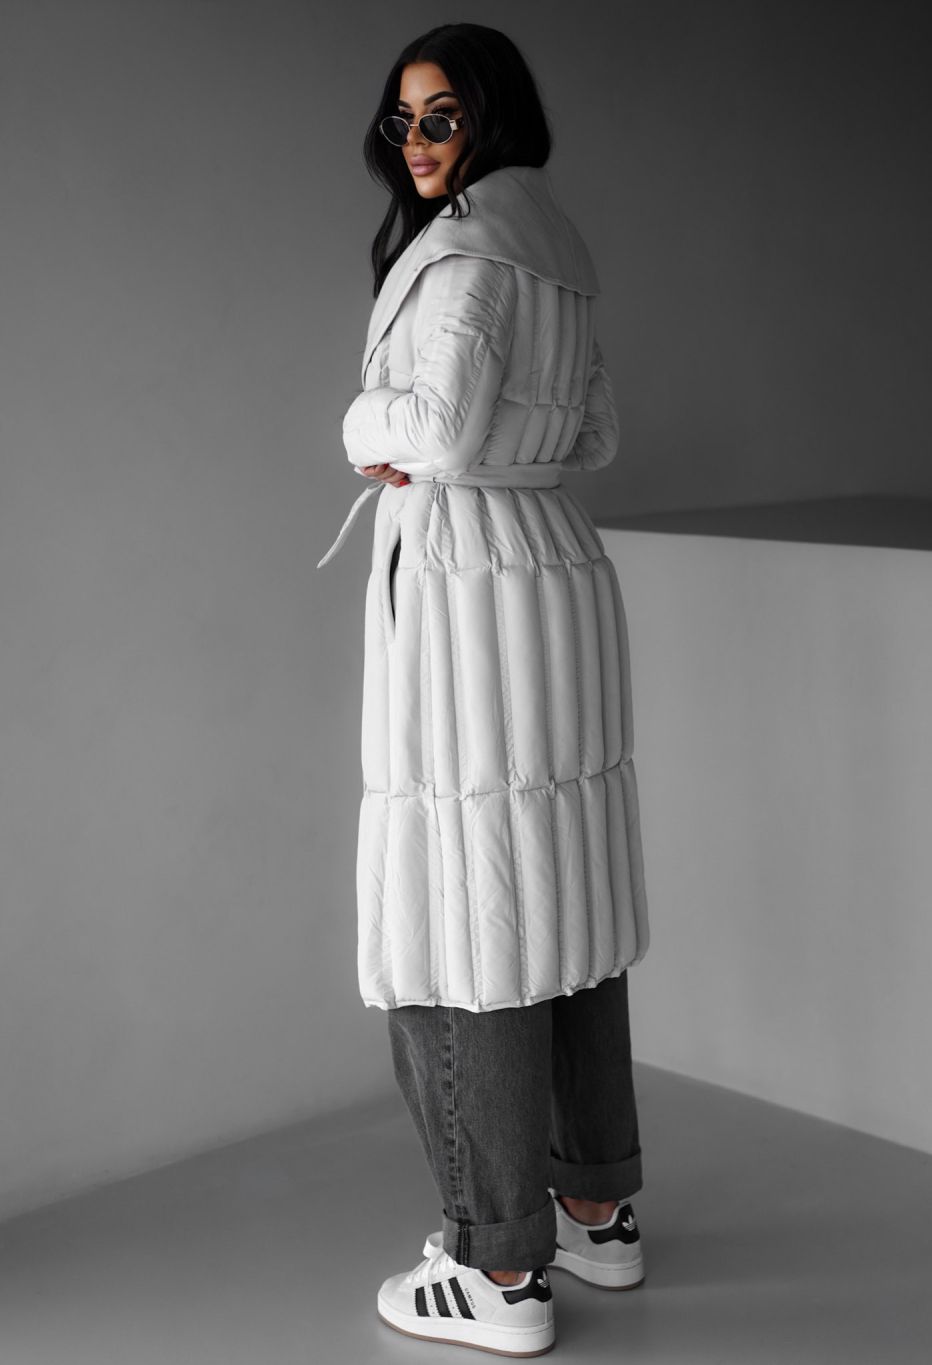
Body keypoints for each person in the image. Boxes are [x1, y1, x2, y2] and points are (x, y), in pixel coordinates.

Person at [318, 23, 651, 1357]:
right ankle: (597, 1209)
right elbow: (597, 432)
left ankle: (498, 1267)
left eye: (442, 114)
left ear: (492, 114)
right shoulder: (556, 246)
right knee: (562, 898)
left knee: (470, 913)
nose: (416, 140)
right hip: (555, 570)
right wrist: (491, 457)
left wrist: (362, 425)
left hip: (468, 592)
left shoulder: (463, 251)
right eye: (402, 120)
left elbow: (441, 428)